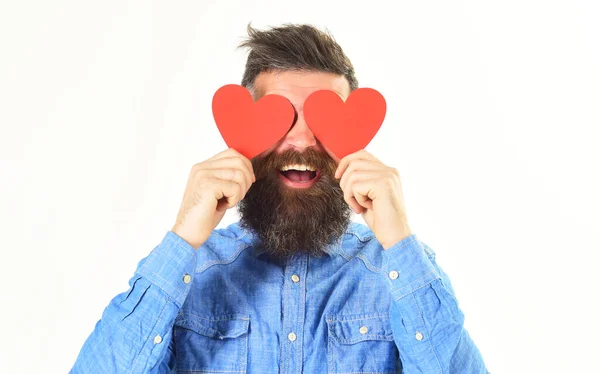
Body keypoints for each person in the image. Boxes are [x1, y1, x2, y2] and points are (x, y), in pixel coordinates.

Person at [71, 23, 489, 374]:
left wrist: (399, 241)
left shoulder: (399, 275)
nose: (303, 139)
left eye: (324, 118)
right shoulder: (188, 274)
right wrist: (182, 238)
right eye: (281, 116)